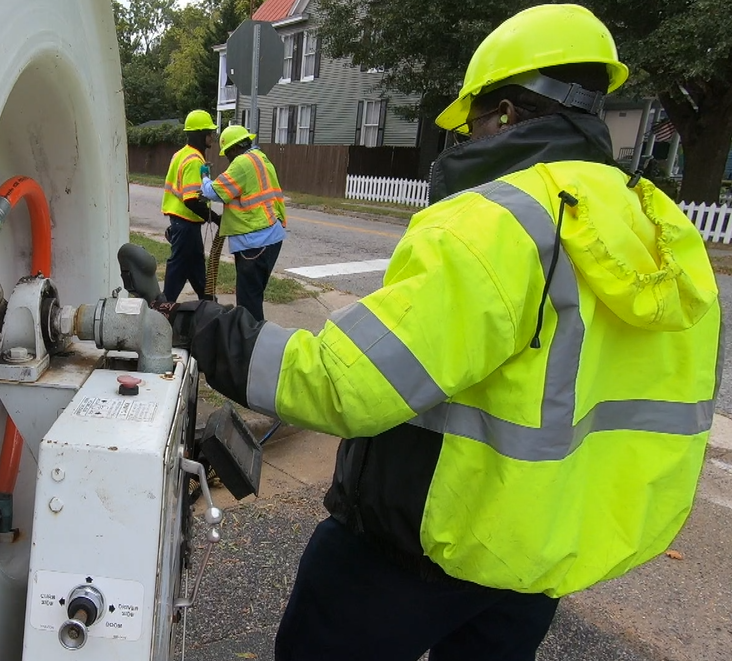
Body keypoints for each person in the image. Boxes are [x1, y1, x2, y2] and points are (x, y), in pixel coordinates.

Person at [157, 5, 722, 660]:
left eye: (474, 121)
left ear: (505, 113)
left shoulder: (499, 221)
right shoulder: (662, 230)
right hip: (536, 560)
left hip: (419, 551)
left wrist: (206, 329)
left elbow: (342, 382)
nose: (468, 142)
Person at [199, 124, 286, 321]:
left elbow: (215, 191)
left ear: (234, 149)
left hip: (254, 240)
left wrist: (204, 178)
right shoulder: (262, 160)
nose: (228, 159)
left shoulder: (242, 163)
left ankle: (252, 344)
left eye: (227, 154)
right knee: (254, 296)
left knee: (248, 304)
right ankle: (255, 339)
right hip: (270, 236)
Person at [160, 109, 222, 303]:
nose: (212, 137)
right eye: (209, 133)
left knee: (195, 268)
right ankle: (163, 308)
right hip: (185, 224)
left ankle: (208, 303)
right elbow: (191, 200)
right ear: (199, 135)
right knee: (179, 269)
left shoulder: (181, 154)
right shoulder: (194, 160)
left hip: (183, 224)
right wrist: (216, 218)